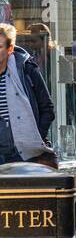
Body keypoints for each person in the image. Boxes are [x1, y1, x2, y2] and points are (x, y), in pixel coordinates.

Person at [0, 23, 56, 165]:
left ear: (10, 49)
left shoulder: (26, 69)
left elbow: (47, 108)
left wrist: (35, 139)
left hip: (24, 154)